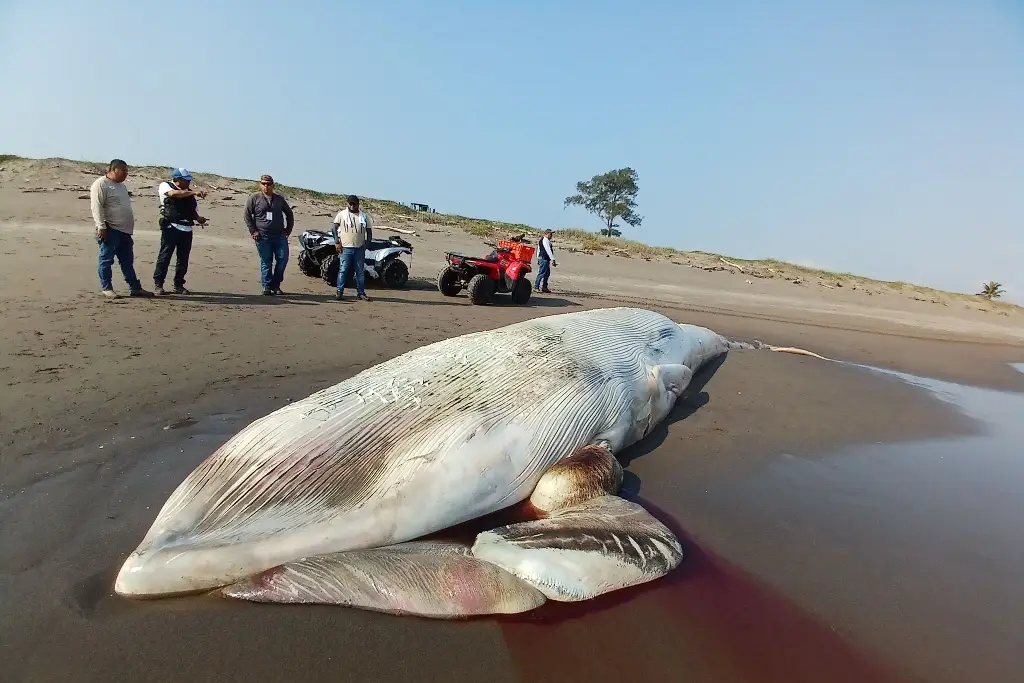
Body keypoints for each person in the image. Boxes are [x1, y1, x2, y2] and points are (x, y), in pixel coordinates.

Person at [90, 159, 153, 298]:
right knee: (106, 259)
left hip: (125, 231)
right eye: (123, 171)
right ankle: (107, 287)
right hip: (110, 228)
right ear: (113, 170)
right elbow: (96, 207)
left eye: (127, 171)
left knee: (127, 261)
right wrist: (101, 227)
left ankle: (135, 288)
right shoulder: (101, 184)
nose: (126, 174)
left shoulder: (121, 186)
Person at [153, 167, 208, 295]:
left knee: (183, 259)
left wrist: (199, 218)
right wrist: (194, 192)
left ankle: (179, 285)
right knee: (165, 256)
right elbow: (174, 194)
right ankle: (158, 284)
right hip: (171, 227)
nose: (188, 183)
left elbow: (192, 210)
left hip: (187, 228)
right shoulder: (165, 186)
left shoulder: (188, 192)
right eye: (186, 180)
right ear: (177, 179)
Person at [243, 174, 294, 295]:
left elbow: (289, 214)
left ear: (273, 185)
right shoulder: (254, 198)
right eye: (263, 183)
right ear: (260, 184)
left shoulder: (279, 199)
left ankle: (276, 285)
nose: (266, 186)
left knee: (283, 259)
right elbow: (247, 215)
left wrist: (288, 230)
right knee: (266, 261)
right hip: (262, 236)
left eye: (268, 184)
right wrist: (253, 231)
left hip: (279, 236)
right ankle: (266, 286)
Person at [331, 194, 372, 301]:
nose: (352, 206)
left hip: (359, 248)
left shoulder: (364, 216)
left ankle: (361, 293)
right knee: (343, 270)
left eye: (355, 204)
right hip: (345, 248)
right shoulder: (341, 215)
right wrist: (336, 242)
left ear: (358, 204)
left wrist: (366, 244)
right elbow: (334, 228)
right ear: (347, 204)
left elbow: (369, 232)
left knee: (360, 271)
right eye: (351, 204)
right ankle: (339, 291)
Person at [536, 228, 557, 293]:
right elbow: (548, 250)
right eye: (550, 234)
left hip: (544, 258)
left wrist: (538, 258)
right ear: (547, 234)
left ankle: (544, 287)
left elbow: (538, 250)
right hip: (544, 258)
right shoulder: (545, 240)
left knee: (547, 273)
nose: (551, 235)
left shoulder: (545, 240)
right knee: (542, 273)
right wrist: (553, 259)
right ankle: (536, 286)